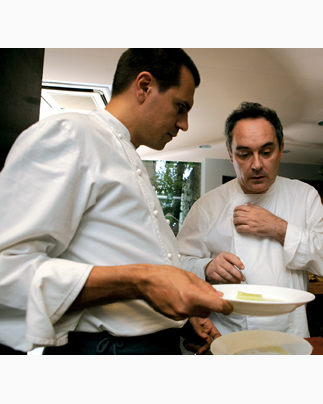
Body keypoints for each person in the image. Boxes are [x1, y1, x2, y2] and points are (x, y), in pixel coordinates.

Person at [0, 48, 233, 355]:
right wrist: (142, 280)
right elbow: (7, 269)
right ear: (145, 86)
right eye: (180, 106)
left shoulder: (130, 159)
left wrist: (179, 316)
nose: (184, 124)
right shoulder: (72, 133)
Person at [176, 102, 323, 338]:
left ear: (281, 147)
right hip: (226, 334)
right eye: (244, 154)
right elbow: (177, 262)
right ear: (230, 154)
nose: (256, 165)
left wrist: (278, 228)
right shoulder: (207, 205)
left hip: (290, 334)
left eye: (266, 152)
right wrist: (206, 267)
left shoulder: (304, 196)